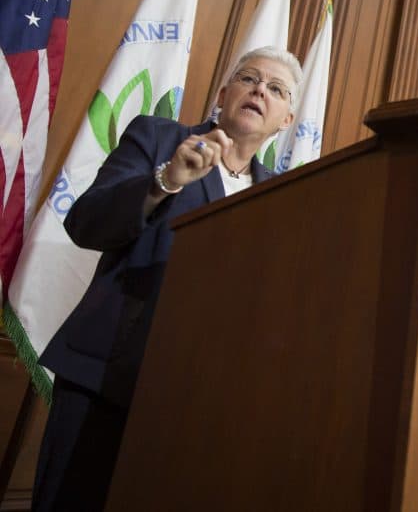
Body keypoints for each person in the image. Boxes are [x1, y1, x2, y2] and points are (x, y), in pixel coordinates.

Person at [31, 47, 301, 512]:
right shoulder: (158, 138)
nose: (260, 90)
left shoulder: (284, 195)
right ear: (223, 94)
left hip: (200, 403)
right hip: (108, 380)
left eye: (275, 89)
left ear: (285, 120)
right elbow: (85, 222)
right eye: (250, 78)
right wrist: (164, 182)